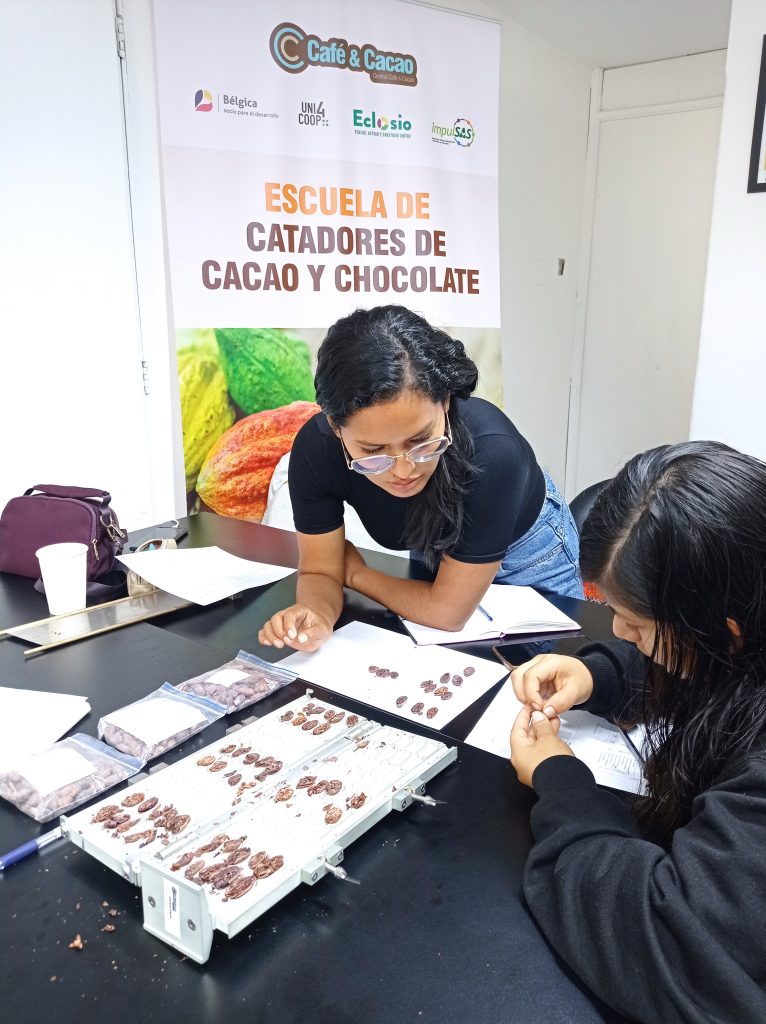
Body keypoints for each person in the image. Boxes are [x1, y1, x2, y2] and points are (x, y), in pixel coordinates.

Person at [509, 441, 766, 1023]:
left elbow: (674, 945)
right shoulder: (748, 610)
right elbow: (709, 666)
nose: (619, 632)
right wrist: (594, 674)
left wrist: (560, 781)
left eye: (639, 625)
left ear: (722, 629)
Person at [259, 305, 582, 652]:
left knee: (541, 680)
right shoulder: (317, 451)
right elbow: (321, 571)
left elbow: (446, 612)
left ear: (445, 401)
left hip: (525, 556)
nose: (403, 471)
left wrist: (355, 575)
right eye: (373, 452)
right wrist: (316, 614)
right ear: (335, 427)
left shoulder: (493, 454)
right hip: (439, 548)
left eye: (420, 442)